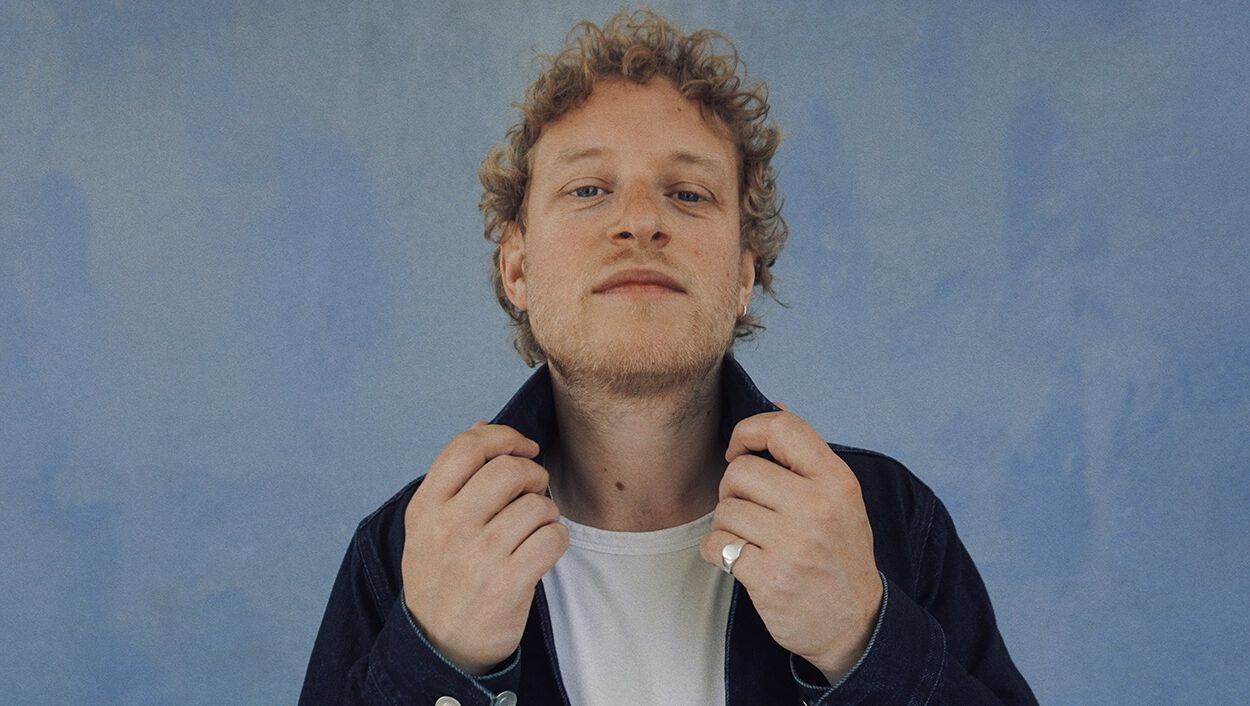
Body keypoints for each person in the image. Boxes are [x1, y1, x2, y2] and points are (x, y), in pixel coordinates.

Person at [300, 9, 1037, 706]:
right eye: (589, 188)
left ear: (743, 274)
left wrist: (862, 639)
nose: (641, 221)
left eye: (687, 193)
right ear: (517, 269)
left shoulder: (887, 524)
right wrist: (436, 664)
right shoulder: (409, 549)